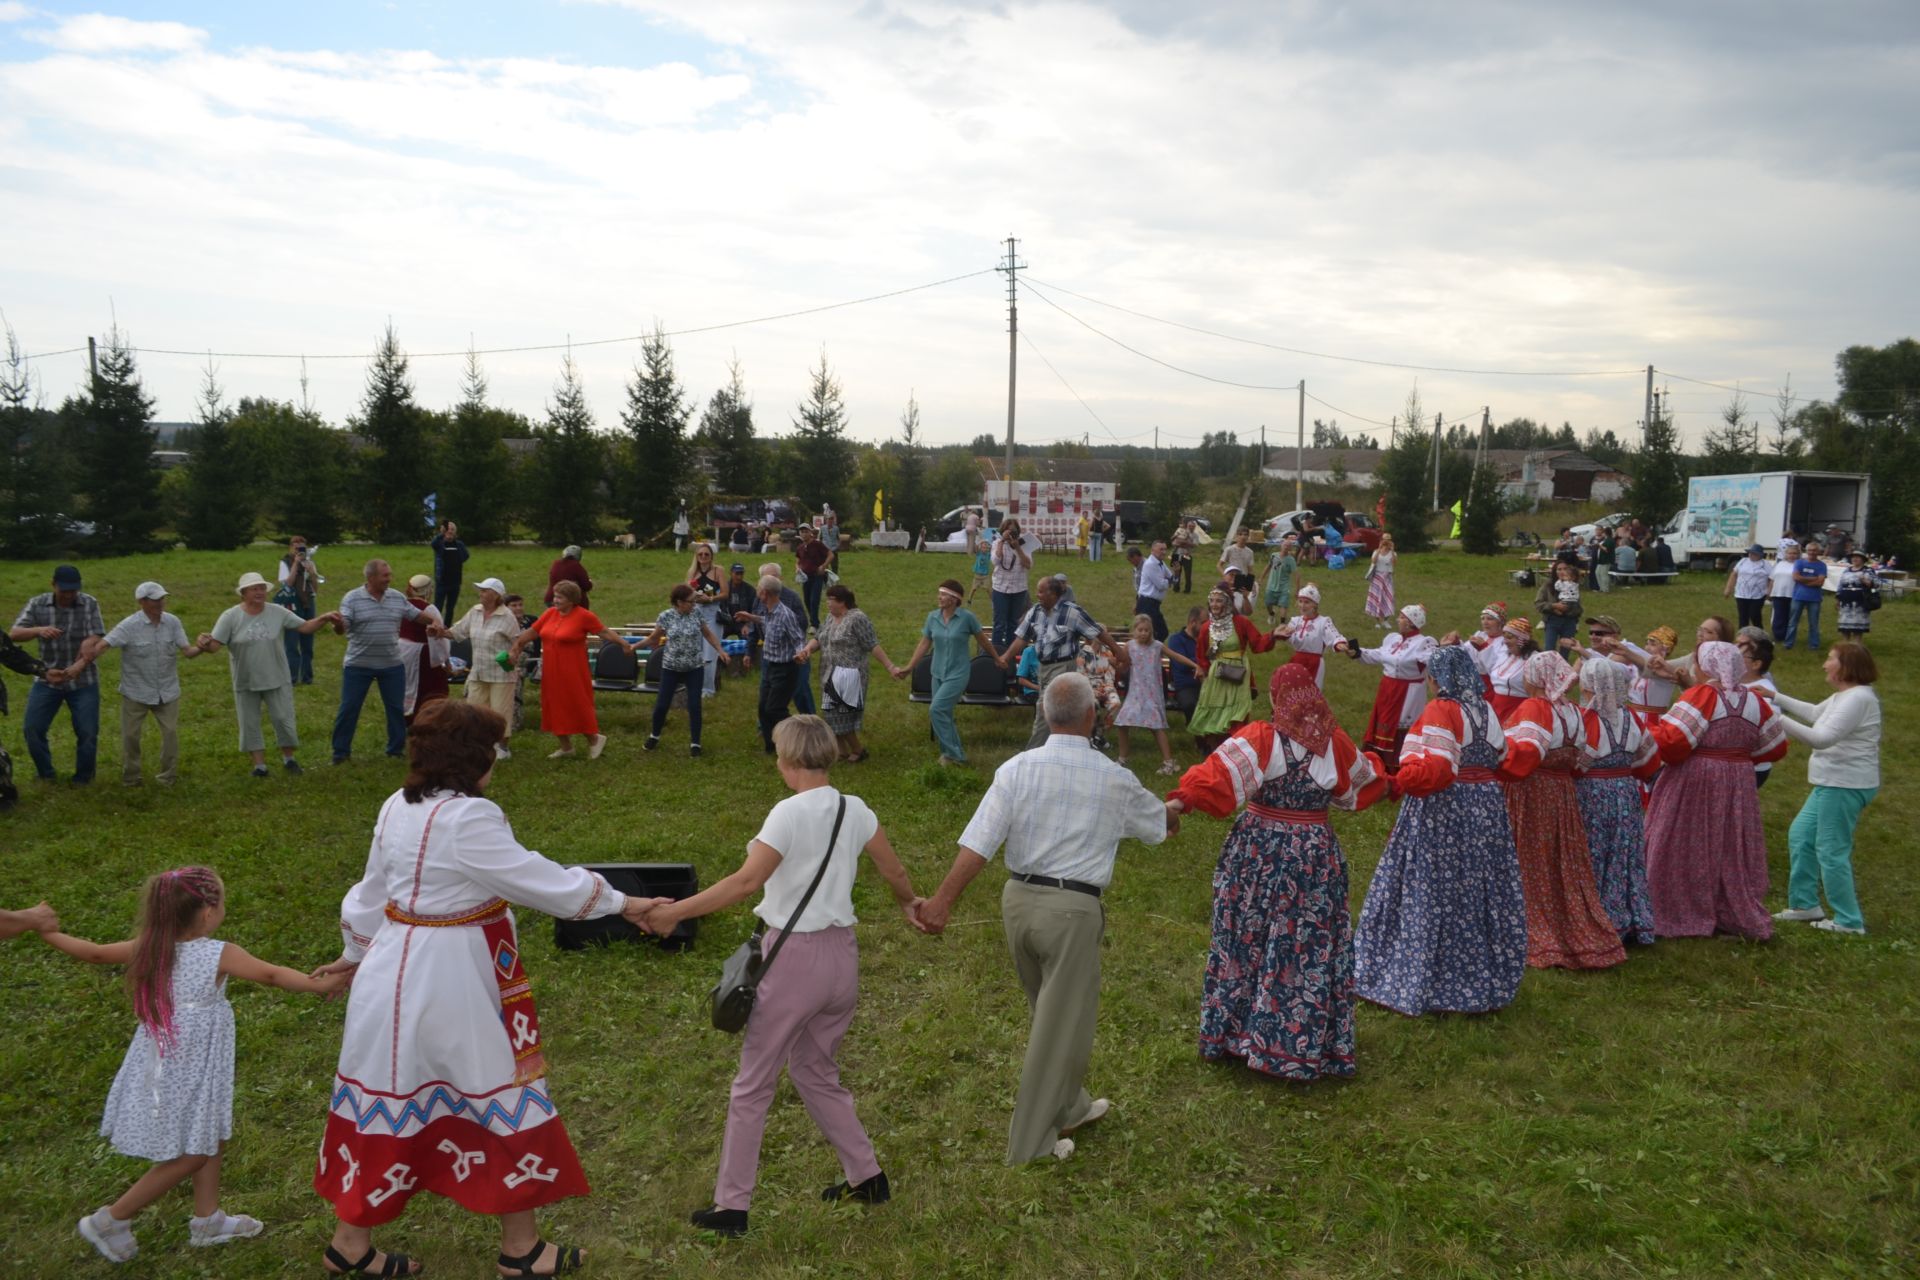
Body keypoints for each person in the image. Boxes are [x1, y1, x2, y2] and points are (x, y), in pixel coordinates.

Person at [310, 699, 655, 1278]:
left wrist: (354, 957)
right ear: (471, 760)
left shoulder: (398, 805)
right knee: (498, 1095)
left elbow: (371, 892)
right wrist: (629, 903)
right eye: (491, 750)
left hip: (391, 971)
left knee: (387, 1099)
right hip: (450, 981)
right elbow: (540, 881)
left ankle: (350, 1245)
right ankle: (521, 1252)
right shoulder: (470, 818)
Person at [636, 715, 923, 1238]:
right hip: (843, 959)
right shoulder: (855, 810)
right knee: (816, 1071)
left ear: (788, 761)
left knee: (752, 1084)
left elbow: (746, 881)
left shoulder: (787, 814)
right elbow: (893, 870)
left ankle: (732, 1206)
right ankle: (867, 1176)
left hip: (793, 960)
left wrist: (675, 912)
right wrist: (908, 903)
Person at [914, 674, 1176, 1163]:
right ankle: (1030, 1146)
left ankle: (1072, 1105)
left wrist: (942, 901)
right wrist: (1179, 805)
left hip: (1017, 905)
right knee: (1060, 1026)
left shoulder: (1016, 769)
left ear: (1044, 714)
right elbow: (1162, 824)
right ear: (1092, 715)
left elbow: (980, 842)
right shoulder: (1114, 777)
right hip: (1072, 914)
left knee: (1051, 1016)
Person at [37, 866, 347, 1264]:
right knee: (192, 1153)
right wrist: (319, 984)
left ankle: (208, 1220)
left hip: (167, 1061)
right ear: (207, 912)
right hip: (187, 1066)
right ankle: (111, 1219)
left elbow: (94, 952)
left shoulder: (150, 946)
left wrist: (47, 932)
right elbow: (271, 975)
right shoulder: (217, 952)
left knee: (209, 1133)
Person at [1166, 666, 1383, 1078]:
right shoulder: (1334, 743)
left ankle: (1236, 1034)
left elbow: (1216, 781)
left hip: (1259, 851)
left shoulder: (1261, 738)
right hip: (1314, 854)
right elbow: (1362, 789)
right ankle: (1299, 1043)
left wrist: (1179, 804)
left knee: (1246, 935)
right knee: (1305, 943)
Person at [1353, 645, 1528, 1016]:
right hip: (1484, 806)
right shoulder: (1485, 710)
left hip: (1445, 808)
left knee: (1430, 885)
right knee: (1473, 886)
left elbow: (1437, 769)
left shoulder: (1441, 710)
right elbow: (1502, 757)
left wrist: (1399, 780)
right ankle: (1471, 972)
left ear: (1438, 678)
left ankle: (1424, 975)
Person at [1642, 641, 1788, 939]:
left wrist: (1649, 729)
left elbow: (1673, 742)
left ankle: (1680, 907)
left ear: (1706, 665)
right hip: (1739, 783)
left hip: (1695, 780)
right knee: (1729, 842)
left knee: (1684, 839)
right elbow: (1775, 746)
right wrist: (1738, 759)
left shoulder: (1703, 695)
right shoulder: (1753, 700)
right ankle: (1727, 906)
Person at [1497, 652, 1628, 971]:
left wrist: (1498, 764)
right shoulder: (1573, 712)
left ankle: (1529, 923)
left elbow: (1525, 755)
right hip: (1563, 795)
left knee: (1528, 856)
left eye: (1528, 674)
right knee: (1558, 858)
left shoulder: (1535, 708)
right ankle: (1566, 922)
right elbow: (1584, 759)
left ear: (1538, 678)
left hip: (1532, 791)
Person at [1767, 643, 1881, 936]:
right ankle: (1805, 905)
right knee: (1801, 835)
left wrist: (1775, 717)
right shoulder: (1845, 696)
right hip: (1831, 784)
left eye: (1830, 659)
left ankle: (1848, 921)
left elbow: (1822, 738)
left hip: (1845, 785)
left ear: (1846, 666)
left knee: (1831, 851)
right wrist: (1775, 697)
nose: (1824, 665)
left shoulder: (1858, 699)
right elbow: (1817, 712)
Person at [199, 572, 340, 777]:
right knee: (249, 722)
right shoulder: (230, 616)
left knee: (283, 718)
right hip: (246, 679)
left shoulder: (277, 612)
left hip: (277, 676)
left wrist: (324, 618)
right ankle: (260, 766)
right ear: (244, 593)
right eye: (254, 589)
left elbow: (305, 626)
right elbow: (214, 646)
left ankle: (289, 759)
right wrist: (203, 642)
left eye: (262, 588)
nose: (259, 592)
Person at [1572, 658, 1659, 946]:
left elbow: (1576, 764)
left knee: (1593, 854)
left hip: (1591, 795)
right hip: (1625, 792)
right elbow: (1648, 761)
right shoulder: (1632, 718)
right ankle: (1628, 918)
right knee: (1624, 854)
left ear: (1589, 687)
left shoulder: (1584, 719)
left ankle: (1593, 919)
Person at [91, 582, 208, 787]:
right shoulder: (128, 625)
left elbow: (187, 652)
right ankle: (131, 777)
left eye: (162, 598)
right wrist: (85, 660)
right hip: (135, 692)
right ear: (141, 602)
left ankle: (167, 777)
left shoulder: (172, 622)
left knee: (171, 733)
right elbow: (104, 644)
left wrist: (201, 647)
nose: (160, 603)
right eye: (155, 600)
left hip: (167, 691)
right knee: (130, 736)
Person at [510, 579, 631, 760]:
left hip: (573, 671)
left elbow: (603, 632)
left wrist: (623, 643)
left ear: (572, 599)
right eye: (555, 596)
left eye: (560, 597)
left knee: (576, 705)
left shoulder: (584, 616)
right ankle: (566, 747)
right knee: (553, 706)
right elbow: (532, 633)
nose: (555, 600)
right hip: (551, 670)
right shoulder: (550, 613)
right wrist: (517, 645)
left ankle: (594, 739)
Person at [1000, 576, 1124, 751]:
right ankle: (1070, 748)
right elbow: (1022, 638)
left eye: (1041, 591)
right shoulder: (1035, 612)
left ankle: (1033, 753)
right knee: (1056, 711)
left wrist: (1118, 651)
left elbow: (1098, 633)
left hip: (1063, 667)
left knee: (1044, 709)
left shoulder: (1072, 612)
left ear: (1053, 593)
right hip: (1043, 668)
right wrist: (1005, 657)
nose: (1038, 595)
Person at [11, 564, 105, 784]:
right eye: (64, 590)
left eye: (74, 590)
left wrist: (86, 648)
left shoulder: (89, 603)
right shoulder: (37, 603)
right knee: (32, 729)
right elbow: (14, 634)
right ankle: (46, 774)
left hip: (83, 679)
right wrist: (38, 630)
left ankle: (83, 778)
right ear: (53, 585)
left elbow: (99, 636)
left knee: (88, 732)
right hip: (47, 678)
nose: (69, 595)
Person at [330, 559, 427, 765]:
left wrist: (435, 622)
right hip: (358, 665)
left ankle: (395, 749)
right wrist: (338, 625)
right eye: (385, 576)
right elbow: (343, 626)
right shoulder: (352, 599)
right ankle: (340, 753)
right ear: (370, 578)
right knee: (349, 708)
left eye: (389, 575)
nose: (389, 579)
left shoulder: (396, 597)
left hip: (391, 664)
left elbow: (416, 615)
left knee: (395, 708)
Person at [897, 580, 1003, 767]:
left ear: (955, 599)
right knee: (943, 712)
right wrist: (909, 667)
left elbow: (983, 641)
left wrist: (996, 658)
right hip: (937, 672)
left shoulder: (967, 618)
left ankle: (956, 755)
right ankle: (951, 754)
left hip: (958, 673)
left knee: (936, 709)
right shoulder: (932, 617)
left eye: (944, 594)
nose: (939, 597)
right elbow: (924, 644)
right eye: (939, 593)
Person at [798, 584, 902, 764]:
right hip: (829, 672)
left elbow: (872, 645)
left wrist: (890, 666)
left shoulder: (857, 618)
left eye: (831, 601)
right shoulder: (831, 618)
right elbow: (818, 639)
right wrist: (806, 650)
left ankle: (858, 750)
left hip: (850, 674)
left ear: (843, 602)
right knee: (831, 714)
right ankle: (841, 750)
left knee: (843, 715)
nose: (828, 604)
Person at [1187, 586, 1283, 752]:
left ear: (1227, 603)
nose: (1215, 604)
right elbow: (1202, 654)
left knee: (1237, 711)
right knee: (1215, 709)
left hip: (1238, 673)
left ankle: (1234, 747)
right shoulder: (1206, 627)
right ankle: (1215, 747)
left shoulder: (1241, 623)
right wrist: (1202, 670)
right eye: (1212, 601)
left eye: (1219, 600)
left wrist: (1273, 634)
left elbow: (1258, 644)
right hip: (1217, 674)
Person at [638, 584, 727, 758]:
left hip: (694, 668)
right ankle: (654, 735)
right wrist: (634, 646)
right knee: (662, 704)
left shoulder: (697, 614)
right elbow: (653, 638)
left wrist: (720, 650)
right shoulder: (666, 616)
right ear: (679, 602)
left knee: (694, 706)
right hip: (671, 668)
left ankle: (695, 743)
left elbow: (708, 634)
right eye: (691, 601)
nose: (694, 604)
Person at [1351, 603, 1435, 769]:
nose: (1398, 619)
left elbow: (1434, 661)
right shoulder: (1393, 639)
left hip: (1407, 693)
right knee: (1383, 721)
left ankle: (1399, 764)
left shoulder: (1423, 643)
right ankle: (1377, 761)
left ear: (1412, 622)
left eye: (1402, 617)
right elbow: (1378, 654)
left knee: (1401, 724)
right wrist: (1357, 652)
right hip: (1388, 689)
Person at [1111, 613, 1198, 774]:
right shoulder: (1129, 646)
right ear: (1134, 630)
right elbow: (1123, 668)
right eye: (1140, 630)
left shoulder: (1157, 646)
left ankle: (1168, 762)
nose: (1144, 633)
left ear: (1151, 631)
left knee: (1156, 727)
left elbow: (1176, 656)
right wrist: (1115, 665)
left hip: (1152, 695)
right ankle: (1123, 758)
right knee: (1122, 724)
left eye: (1147, 630)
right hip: (1135, 694)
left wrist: (1194, 665)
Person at [448, 577, 523, 759]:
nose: (481, 594)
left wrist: (513, 655)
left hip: (501, 673)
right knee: (474, 709)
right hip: (479, 671)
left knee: (500, 711)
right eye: (480, 590)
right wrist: (440, 632)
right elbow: (457, 631)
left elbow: (518, 641)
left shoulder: (506, 616)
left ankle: (503, 748)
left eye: (485, 590)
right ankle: (478, 745)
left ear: (496, 595)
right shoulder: (475, 611)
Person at [734, 574, 809, 753]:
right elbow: (767, 622)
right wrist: (751, 617)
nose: (757, 592)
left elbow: (798, 638)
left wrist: (801, 653)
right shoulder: (767, 610)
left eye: (759, 589)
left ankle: (802, 733)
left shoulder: (785, 615)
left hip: (785, 669)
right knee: (763, 708)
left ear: (765, 593)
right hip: (769, 667)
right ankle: (771, 746)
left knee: (775, 709)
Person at [753, 563, 817, 716]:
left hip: (791, 657)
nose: (771, 581)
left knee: (800, 691)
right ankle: (766, 729)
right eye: (766, 578)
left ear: (779, 578)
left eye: (774, 577)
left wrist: (798, 650)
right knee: (767, 702)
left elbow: (801, 624)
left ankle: (810, 723)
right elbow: (762, 622)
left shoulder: (791, 598)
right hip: (769, 657)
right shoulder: (759, 600)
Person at [398, 574, 450, 723]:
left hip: (402, 651)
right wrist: (446, 662)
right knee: (431, 687)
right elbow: (439, 638)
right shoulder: (429, 609)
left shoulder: (402, 605)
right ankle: (429, 719)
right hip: (422, 654)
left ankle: (406, 719)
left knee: (406, 685)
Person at [1278, 584, 1348, 690]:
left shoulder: (1323, 621)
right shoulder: (1295, 620)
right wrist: (1285, 633)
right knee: (1292, 688)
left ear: (1315, 605)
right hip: (1297, 660)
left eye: (1307, 602)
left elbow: (1334, 635)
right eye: (1300, 601)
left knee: (1311, 691)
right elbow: (1289, 636)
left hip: (1314, 663)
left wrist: (1339, 643)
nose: (1302, 605)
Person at [1734, 628, 1778, 788]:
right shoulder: (1736, 683)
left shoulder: (1764, 691)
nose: (1734, 656)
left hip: (1752, 766)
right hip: (1735, 762)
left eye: (1741, 654)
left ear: (1756, 664)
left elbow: (1766, 732)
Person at [278, 535, 322, 684]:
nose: (297, 548)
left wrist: (312, 573)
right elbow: (288, 584)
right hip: (291, 604)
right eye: (295, 546)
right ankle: (292, 677)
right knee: (291, 643)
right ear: (290, 547)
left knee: (307, 644)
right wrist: (296, 564)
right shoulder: (284, 563)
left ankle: (307, 677)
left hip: (308, 604)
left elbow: (315, 589)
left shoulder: (309, 562)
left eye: (301, 546)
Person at [1473, 617, 1535, 720]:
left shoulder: (1533, 660)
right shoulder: (1506, 656)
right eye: (1504, 638)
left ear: (1522, 640)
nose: (1505, 642)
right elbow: (1491, 669)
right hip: (1497, 709)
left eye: (1510, 638)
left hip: (1518, 711)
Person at [687, 542, 725, 698]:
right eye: (700, 554)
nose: (703, 557)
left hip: (712, 612)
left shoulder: (718, 571)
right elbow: (686, 593)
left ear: (711, 556)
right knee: (696, 652)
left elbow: (725, 593)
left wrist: (710, 598)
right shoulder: (692, 573)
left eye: (706, 554)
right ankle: (696, 686)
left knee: (709, 654)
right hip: (695, 611)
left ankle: (708, 689)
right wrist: (694, 596)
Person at [989, 517, 1033, 650]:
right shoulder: (997, 543)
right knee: (999, 623)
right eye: (1008, 530)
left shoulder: (1024, 544)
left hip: (1019, 588)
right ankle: (996, 652)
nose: (1011, 534)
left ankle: (1010, 652)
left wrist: (1018, 548)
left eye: (1014, 531)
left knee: (1013, 623)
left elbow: (1028, 565)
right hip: (1000, 588)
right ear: (1003, 530)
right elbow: (995, 561)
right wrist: (1002, 541)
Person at [1165, 607, 1205, 727]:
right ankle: (1198, 735)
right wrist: (1202, 661)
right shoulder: (1176, 639)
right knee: (1190, 704)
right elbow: (1181, 664)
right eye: (1203, 623)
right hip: (1186, 686)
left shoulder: (1206, 639)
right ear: (1193, 622)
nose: (1207, 626)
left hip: (1206, 683)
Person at [1783, 542, 1827, 651]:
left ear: (1818, 552)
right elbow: (1795, 577)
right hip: (1798, 596)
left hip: (1814, 598)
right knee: (1793, 622)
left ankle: (1814, 645)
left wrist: (1804, 580)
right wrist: (1813, 578)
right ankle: (1788, 643)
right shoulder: (1799, 562)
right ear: (1806, 551)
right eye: (1810, 550)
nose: (1812, 552)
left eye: (1814, 550)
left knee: (1813, 623)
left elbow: (1820, 582)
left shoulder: (1822, 565)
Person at [1536, 560, 1583, 652]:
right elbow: (1538, 604)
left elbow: (1578, 608)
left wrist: (1569, 610)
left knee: (1565, 650)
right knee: (1549, 649)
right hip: (1552, 620)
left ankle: (1563, 666)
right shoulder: (1548, 585)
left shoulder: (1572, 585)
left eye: (1565, 569)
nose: (1562, 571)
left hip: (1569, 621)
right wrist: (1554, 606)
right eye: (1559, 569)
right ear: (1554, 571)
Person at [1725, 544, 1771, 631]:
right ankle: (1742, 637)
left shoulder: (1765, 564)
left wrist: (1769, 591)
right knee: (1743, 617)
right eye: (1750, 553)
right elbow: (1734, 574)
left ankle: (1760, 635)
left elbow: (1771, 578)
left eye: (1754, 553)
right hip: (1741, 594)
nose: (1751, 555)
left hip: (1758, 595)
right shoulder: (1743, 561)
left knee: (1754, 615)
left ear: (1760, 555)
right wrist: (1728, 588)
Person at [1134, 539, 1174, 640]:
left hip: (1154, 604)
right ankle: (1148, 652)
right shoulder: (1150, 564)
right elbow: (1161, 585)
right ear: (1153, 550)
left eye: (1165, 549)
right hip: (1147, 603)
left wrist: (1174, 576)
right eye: (1161, 549)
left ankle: (1152, 652)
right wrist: (1168, 581)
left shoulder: (1161, 563)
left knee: (1161, 632)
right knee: (1154, 632)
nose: (1164, 552)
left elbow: (1171, 577)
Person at [429, 520, 469, 621]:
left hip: (455, 582)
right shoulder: (439, 544)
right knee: (438, 607)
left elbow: (466, 556)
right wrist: (441, 535)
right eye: (448, 529)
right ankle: (436, 626)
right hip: (442, 581)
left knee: (450, 608)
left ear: (455, 532)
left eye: (452, 529)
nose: (450, 531)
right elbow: (433, 544)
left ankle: (447, 628)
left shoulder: (459, 545)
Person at [1833, 550, 1877, 641]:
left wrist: (1864, 580)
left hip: (1860, 602)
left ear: (1863, 559)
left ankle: (1857, 646)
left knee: (1858, 627)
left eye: (1858, 557)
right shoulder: (1846, 571)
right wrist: (1838, 598)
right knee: (1845, 626)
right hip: (1845, 602)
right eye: (1853, 557)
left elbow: (1875, 584)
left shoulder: (1868, 570)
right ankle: (1845, 645)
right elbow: (1840, 585)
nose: (1855, 559)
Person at [795, 525, 830, 629]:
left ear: (810, 532)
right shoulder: (800, 547)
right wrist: (797, 568)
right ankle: (815, 622)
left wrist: (823, 566)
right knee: (807, 600)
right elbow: (798, 560)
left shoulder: (817, 544)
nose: (804, 534)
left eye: (806, 531)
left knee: (814, 600)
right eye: (802, 532)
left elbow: (830, 554)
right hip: (805, 577)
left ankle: (814, 624)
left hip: (817, 575)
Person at [1768, 539, 1799, 642]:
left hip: (1793, 594)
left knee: (1789, 617)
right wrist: (1769, 591)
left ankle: (1788, 636)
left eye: (1794, 553)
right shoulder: (1779, 564)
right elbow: (1772, 579)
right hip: (1778, 594)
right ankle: (1777, 636)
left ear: (1798, 554)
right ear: (1786, 554)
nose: (1792, 555)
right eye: (1790, 553)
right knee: (1778, 616)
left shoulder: (1799, 565)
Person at [1363, 534, 1397, 628]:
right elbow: (1373, 561)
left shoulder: (1392, 553)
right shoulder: (1376, 551)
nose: (1386, 542)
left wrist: (1392, 549)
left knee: (1388, 598)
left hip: (1387, 577)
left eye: (1388, 540)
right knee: (1376, 598)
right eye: (1384, 540)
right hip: (1377, 577)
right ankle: (1377, 622)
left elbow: (1394, 563)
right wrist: (1379, 548)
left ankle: (1386, 621)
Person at [544, 544, 593, 609]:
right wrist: (590, 582)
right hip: (567, 602)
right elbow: (586, 585)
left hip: (551, 598)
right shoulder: (576, 566)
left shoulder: (556, 563)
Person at [1262, 535, 1297, 626]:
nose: (1286, 547)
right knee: (1268, 603)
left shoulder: (1291, 560)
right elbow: (1268, 566)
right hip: (1271, 585)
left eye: (1288, 546)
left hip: (1284, 587)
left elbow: (1296, 575)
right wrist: (1261, 577)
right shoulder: (1274, 555)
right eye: (1285, 545)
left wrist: (1297, 590)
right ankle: (1271, 614)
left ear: (1290, 548)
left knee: (1283, 605)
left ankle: (1282, 623)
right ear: (1281, 545)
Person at [967, 524, 994, 605]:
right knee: (974, 588)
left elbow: (992, 548)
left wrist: (990, 541)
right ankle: (969, 600)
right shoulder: (978, 554)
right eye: (983, 546)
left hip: (985, 575)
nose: (984, 548)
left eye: (986, 547)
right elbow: (976, 546)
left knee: (988, 589)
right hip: (977, 575)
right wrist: (978, 537)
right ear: (980, 547)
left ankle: (993, 601)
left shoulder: (988, 555)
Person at [1171, 519, 1197, 592]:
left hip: (1187, 555)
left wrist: (1183, 542)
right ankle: (1176, 588)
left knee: (1187, 573)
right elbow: (1173, 541)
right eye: (1189, 526)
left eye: (1192, 526)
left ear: (1194, 527)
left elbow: (1194, 545)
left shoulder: (1195, 535)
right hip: (1177, 554)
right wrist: (1179, 543)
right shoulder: (1180, 531)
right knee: (1176, 571)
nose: (1191, 527)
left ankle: (1187, 589)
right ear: (1187, 526)